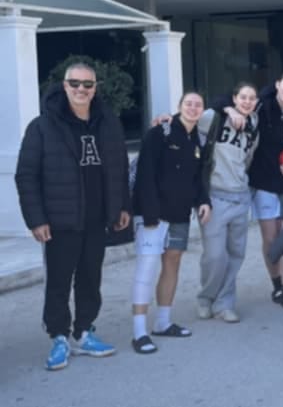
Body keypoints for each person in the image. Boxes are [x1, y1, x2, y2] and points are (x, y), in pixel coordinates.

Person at [16, 62, 131, 371]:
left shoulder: (107, 123)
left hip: (97, 217)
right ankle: (59, 337)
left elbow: (120, 168)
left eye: (88, 84)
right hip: (59, 220)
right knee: (58, 281)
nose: (81, 89)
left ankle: (83, 332)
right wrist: (36, 219)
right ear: (64, 85)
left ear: (95, 88)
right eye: (75, 83)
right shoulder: (42, 126)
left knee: (91, 278)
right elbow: (26, 176)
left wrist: (122, 206)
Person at [221, 71, 283, 312]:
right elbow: (222, 100)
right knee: (270, 238)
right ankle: (276, 284)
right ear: (278, 84)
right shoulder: (260, 105)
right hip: (264, 183)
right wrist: (230, 110)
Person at [130, 91, 212, 354]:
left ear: (203, 110)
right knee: (147, 267)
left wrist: (203, 201)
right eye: (188, 103)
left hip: (180, 214)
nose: (193, 108)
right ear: (179, 106)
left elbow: (198, 178)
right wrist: (150, 215)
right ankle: (139, 332)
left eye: (198, 105)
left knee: (172, 263)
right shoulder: (159, 133)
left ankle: (163, 322)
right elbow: (145, 174)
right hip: (153, 215)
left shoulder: (198, 139)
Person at [196, 82, 260, 323]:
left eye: (252, 98)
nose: (247, 102)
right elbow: (188, 119)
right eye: (243, 97)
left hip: (240, 196)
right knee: (214, 255)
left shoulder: (254, 124)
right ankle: (206, 297)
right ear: (234, 98)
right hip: (214, 195)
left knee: (235, 254)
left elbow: (249, 158)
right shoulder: (213, 117)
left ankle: (225, 302)